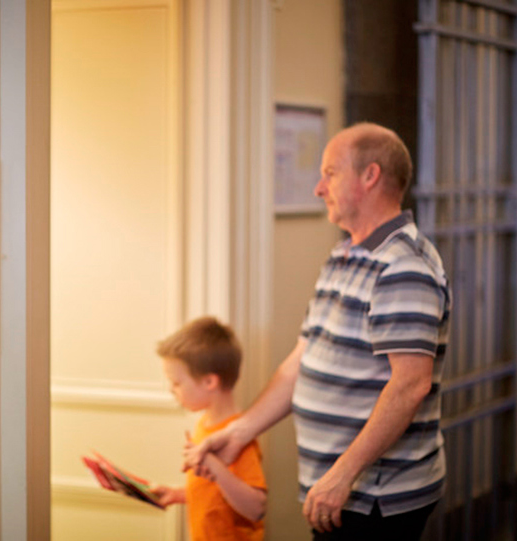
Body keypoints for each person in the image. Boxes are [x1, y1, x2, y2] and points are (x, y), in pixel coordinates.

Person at [184, 122, 451, 541]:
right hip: (339, 490)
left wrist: (342, 475)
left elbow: (410, 386)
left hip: (374, 496)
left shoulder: (404, 265)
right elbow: (300, 363)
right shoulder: (344, 254)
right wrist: (237, 432)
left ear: (370, 175)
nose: (318, 187)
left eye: (330, 172)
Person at [152, 316, 268, 541]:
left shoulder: (240, 439)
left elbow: (256, 507)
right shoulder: (204, 425)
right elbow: (215, 494)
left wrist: (213, 466)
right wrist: (177, 495)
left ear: (209, 382)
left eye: (176, 383)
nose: (171, 390)